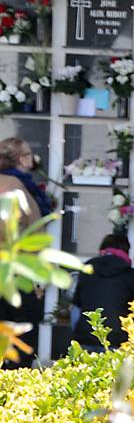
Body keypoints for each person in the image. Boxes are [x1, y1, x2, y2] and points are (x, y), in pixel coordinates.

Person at [0, 137, 50, 367]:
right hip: (17, 269)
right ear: (21, 159)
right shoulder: (17, 186)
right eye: (30, 154)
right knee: (23, 326)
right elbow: (34, 231)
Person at [71, 233, 134, 352]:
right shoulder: (131, 275)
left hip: (85, 338)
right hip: (118, 341)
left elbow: (76, 309)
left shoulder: (87, 269)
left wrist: (78, 334)